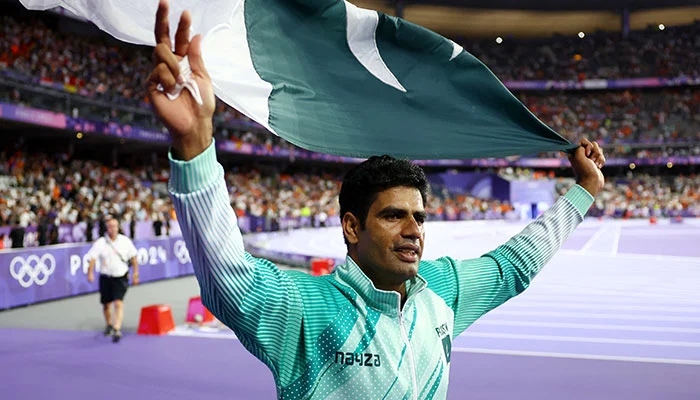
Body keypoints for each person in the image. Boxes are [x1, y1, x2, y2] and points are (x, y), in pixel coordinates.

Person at [148, 0, 606, 397]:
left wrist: (584, 191)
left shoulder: (443, 292)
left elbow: (515, 266)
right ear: (351, 226)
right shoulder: (307, 308)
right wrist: (195, 143)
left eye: (419, 218)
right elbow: (228, 277)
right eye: (393, 216)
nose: (413, 230)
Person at [86, 215, 139, 343]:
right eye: (110, 226)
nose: (113, 229)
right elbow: (92, 257)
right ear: (107, 228)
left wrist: (136, 273)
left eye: (115, 226)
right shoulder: (101, 242)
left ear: (118, 227)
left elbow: (134, 257)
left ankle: (116, 328)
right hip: (106, 277)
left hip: (120, 277)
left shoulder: (125, 241)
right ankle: (109, 324)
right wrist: (90, 272)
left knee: (118, 303)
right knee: (106, 304)